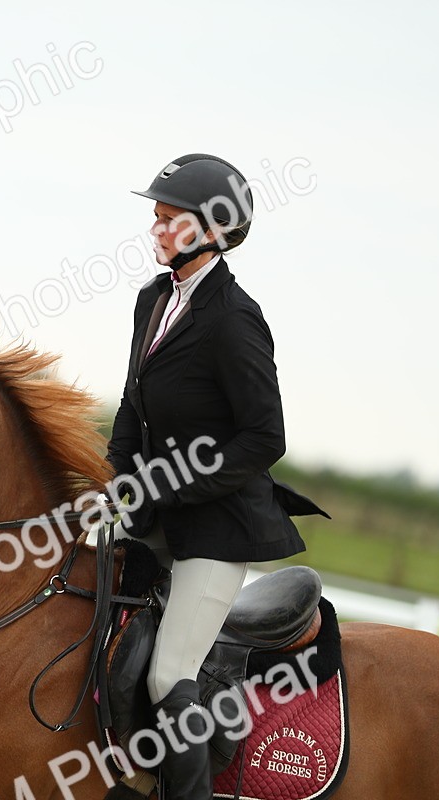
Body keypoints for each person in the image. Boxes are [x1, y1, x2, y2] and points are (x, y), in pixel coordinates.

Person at [104, 153, 326, 800]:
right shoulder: (152, 300)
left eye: (168, 217)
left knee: (168, 671)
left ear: (210, 228)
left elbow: (265, 437)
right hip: (153, 513)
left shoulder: (234, 320)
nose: (155, 226)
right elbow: (130, 405)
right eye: (155, 215)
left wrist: (168, 486)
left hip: (216, 528)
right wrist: (113, 478)